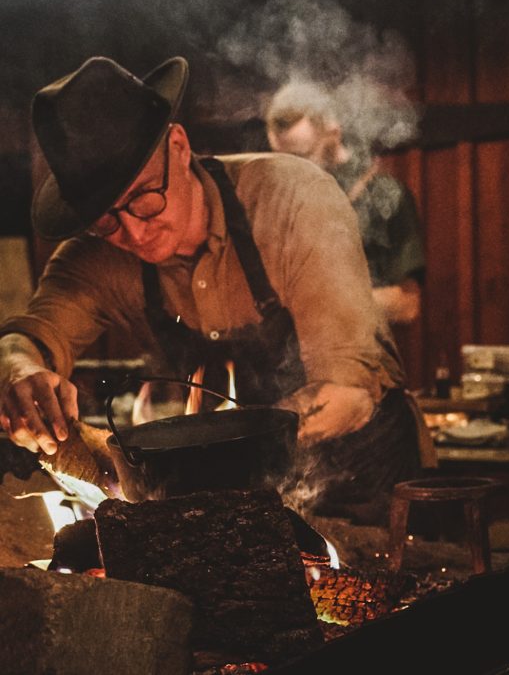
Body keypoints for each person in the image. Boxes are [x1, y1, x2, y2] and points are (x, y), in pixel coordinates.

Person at [0, 56, 434, 525]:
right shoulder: (93, 256)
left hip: (359, 482)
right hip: (230, 502)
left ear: (180, 147)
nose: (134, 232)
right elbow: (29, 338)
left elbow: (348, 395)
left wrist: (195, 455)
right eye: (105, 218)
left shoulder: (294, 200)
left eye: (145, 197)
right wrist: (17, 373)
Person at [265, 80, 426, 325]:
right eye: (283, 161)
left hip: (360, 359)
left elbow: (406, 306)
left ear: (333, 133)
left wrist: (318, 302)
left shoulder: (385, 196)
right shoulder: (280, 200)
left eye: (302, 157)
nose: (291, 172)